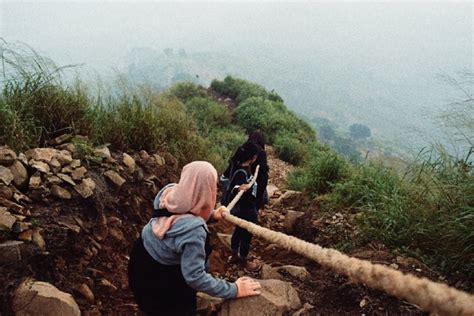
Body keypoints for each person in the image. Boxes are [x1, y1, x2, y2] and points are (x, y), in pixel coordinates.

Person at [128, 161, 261, 316]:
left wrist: (212, 215)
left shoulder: (169, 194)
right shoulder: (195, 230)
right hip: (158, 283)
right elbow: (195, 277)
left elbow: (179, 215)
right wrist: (234, 289)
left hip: (139, 264)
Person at [224, 141, 262, 271]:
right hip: (247, 209)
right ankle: (243, 260)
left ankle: (234, 255)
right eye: (255, 156)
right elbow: (236, 188)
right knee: (246, 235)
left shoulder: (239, 166)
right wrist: (240, 188)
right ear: (252, 158)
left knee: (238, 231)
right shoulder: (242, 172)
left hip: (242, 209)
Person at [247, 131, 269, 211]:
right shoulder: (261, 152)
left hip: (244, 180)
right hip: (256, 182)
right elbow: (263, 170)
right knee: (255, 203)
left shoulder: (244, 148)